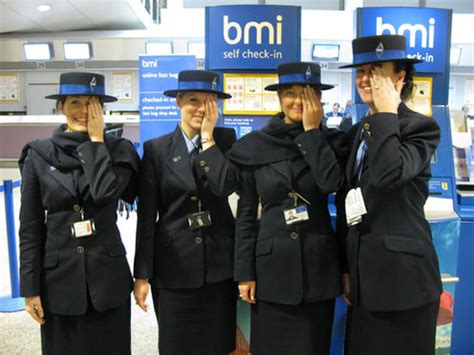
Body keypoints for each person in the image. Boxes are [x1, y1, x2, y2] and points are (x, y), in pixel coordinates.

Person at [227, 62, 347, 355]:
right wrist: (244, 272)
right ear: (279, 97)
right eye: (291, 93)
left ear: (319, 100)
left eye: (307, 94)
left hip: (317, 270)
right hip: (270, 271)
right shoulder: (255, 145)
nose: (298, 101)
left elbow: (331, 184)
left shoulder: (333, 142)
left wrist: (311, 132)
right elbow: (245, 215)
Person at [18, 72, 139, 355]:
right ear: (61, 107)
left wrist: (97, 143)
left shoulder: (119, 151)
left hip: (107, 278)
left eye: (93, 104)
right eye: (75, 102)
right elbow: (30, 226)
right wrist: (29, 288)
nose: (84, 111)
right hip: (58, 279)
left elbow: (104, 194)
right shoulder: (38, 154)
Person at [339, 34, 442, 355]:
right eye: (361, 71)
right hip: (363, 281)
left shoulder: (419, 127)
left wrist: (386, 112)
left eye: (377, 70)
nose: (366, 78)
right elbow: (348, 197)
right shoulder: (358, 130)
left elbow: (387, 176)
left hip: (404, 284)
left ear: (400, 77)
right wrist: (345, 266)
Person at [133, 70, 239, 355]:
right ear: (178, 101)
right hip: (173, 269)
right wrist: (141, 275)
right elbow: (146, 217)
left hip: (219, 268)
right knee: (176, 346)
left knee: (218, 345)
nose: (202, 108)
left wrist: (208, 140)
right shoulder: (157, 150)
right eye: (194, 100)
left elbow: (224, 186)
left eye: (209, 100)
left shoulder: (226, 141)